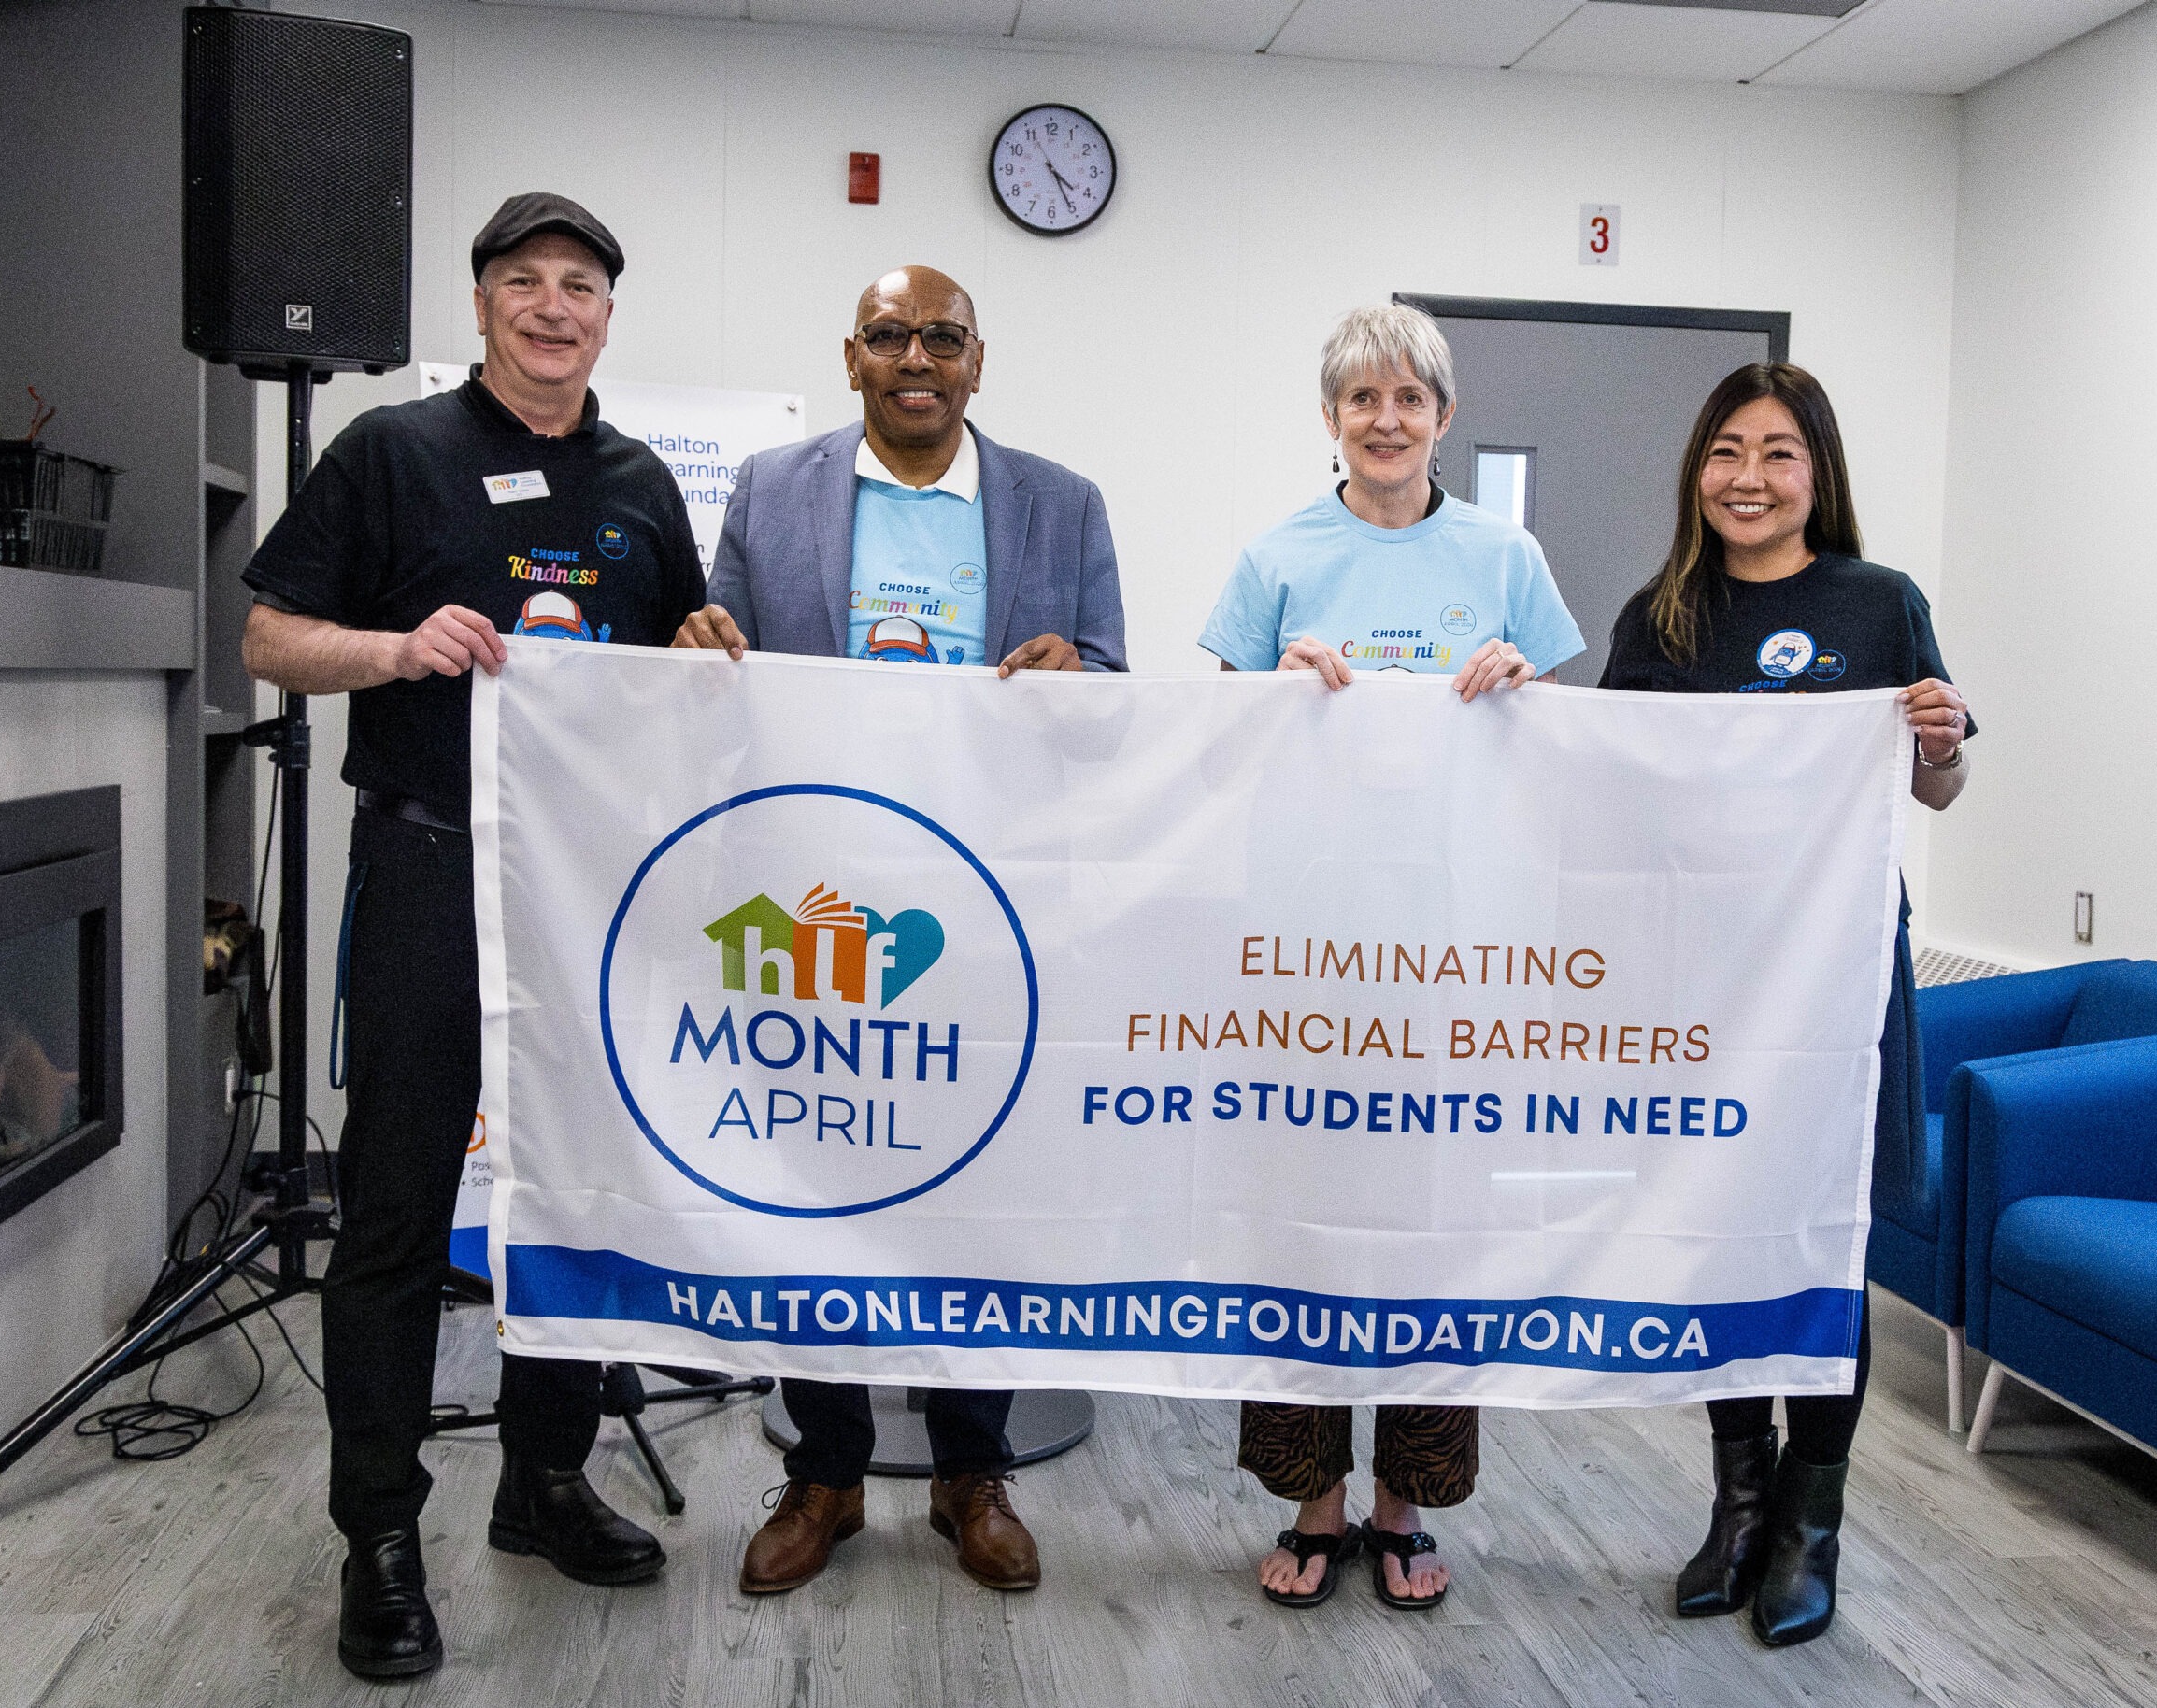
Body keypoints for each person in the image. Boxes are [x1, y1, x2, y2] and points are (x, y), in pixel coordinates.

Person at [242, 194, 704, 1681]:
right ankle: (379, 1532)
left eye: (581, 287)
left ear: (608, 317)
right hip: (433, 868)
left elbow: (678, 664)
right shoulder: (391, 452)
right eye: (526, 284)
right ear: (485, 303)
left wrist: (709, 649)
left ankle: (546, 1479)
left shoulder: (639, 485)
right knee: (394, 1203)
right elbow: (266, 635)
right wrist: (392, 647)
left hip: (591, 891)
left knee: (579, 1196)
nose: (554, 308)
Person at [672, 263, 1126, 1596]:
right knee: (819, 1176)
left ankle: (969, 1470)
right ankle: (826, 1474)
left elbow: (1110, 685)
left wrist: (1078, 678)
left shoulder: (1062, 502)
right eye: (889, 335)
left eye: (942, 336)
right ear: (853, 356)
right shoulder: (770, 490)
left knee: (984, 1181)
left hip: (989, 901)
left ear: (980, 361)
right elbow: (724, 669)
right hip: (822, 895)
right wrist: (704, 645)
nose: (915, 355)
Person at [1196, 302, 1585, 1611]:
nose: (1386, 419)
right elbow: (1207, 749)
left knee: (1432, 1228)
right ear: (1330, 418)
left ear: (1444, 416)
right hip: (1303, 952)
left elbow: (1568, 750)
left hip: (1452, 951)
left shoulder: (1506, 554)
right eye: (1360, 397)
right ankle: (1314, 1501)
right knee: (1299, 1218)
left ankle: (1406, 1505)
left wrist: (1523, 687)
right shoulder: (1276, 559)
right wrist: (1271, 690)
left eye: (1409, 397)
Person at [1599, 361, 1973, 1648]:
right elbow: (1611, 794)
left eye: (1778, 454)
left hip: (1839, 974)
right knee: (1720, 1229)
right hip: (1706, 978)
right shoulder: (1661, 617)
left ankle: (1813, 1527)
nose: (1748, 479)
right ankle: (1738, 1506)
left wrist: (1936, 744)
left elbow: (1937, 792)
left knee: (1827, 1243)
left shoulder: (1880, 604)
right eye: (1725, 452)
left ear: (1819, 473)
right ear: (1695, 469)